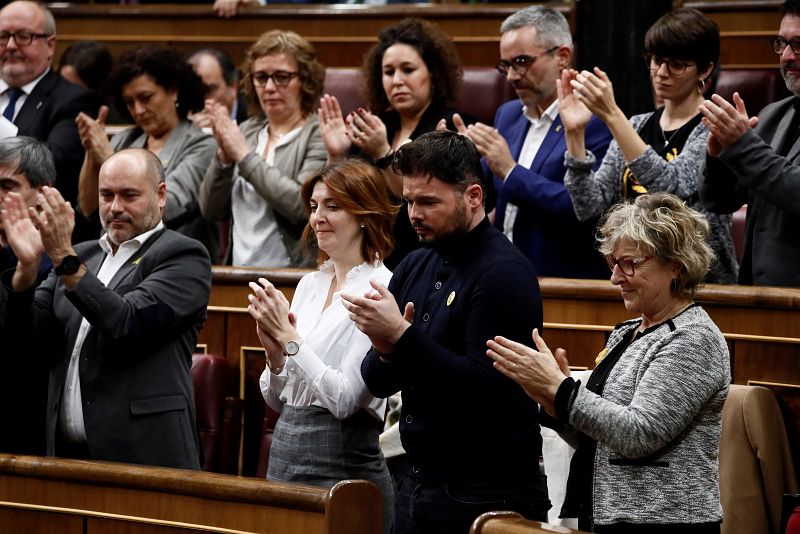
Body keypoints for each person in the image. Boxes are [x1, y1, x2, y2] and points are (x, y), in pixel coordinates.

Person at [343, 131, 549, 534]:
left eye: (428, 202)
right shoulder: (414, 264)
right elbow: (376, 382)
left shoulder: (504, 273)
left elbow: (485, 391)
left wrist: (402, 337)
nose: (413, 215)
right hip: (418, 482)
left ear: (473, 196)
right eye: (408, 201)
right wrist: (387, 349)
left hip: (486, 494)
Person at [487, 192, 730, 533]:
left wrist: (563, 393)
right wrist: (552, 402)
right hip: (608, 517)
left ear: (675, 264)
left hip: (664, 522)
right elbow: (603, 441)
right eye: (613, 263)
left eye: (629, 263)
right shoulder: (627, 333)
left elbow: (640, 434)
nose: (616, 278)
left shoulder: (693, 338)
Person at [0, 148, 211, 468]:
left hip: (145, 460)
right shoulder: (83, 255)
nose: (115, 208)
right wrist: (27, 269)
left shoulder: (184, 256)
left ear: (161, 195)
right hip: (66, 458)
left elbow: (128, 323)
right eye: (106, 195)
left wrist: (63, 259)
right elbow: (28, 339)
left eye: (129, 195)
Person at [248, 159, 397, 533]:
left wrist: (290, 340)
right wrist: (275, 353)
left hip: (342, 462)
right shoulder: (309, 285)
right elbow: (276, 399)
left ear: (365, 214)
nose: (318, 218)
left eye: (333, 206)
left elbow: (346, 400)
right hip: (284, 453)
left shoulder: (380, 288)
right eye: (314, 207)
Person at [560, 8, 737, 284]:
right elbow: (589, 206)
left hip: (699, 284)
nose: (661, 72)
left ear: (705, 69)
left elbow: (671, 190)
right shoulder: (638, 125)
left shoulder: (713, 126)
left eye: (676, 64)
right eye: (655, 60)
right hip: (636, 278)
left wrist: (612, 115)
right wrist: (575, 135)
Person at [449, 6, 612, 278]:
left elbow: (583, 209)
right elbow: (486, 191)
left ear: (562, 57)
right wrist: (462, 158)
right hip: (497, 273)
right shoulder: (508, 115)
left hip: (562, 282)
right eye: (506, 65)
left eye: (522, 62)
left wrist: (510, 171)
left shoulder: (596, 122)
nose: (512, 75)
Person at [320, 18, 478, 269]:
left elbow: (418, 198)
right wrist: (337, 156)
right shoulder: (376, 125)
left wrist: (383, 153)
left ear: (433, 74)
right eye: (389, 72)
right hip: (365, 259)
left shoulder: (450, 127)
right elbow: (342, 200)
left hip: (424, 259)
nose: (397, 81)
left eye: (408, 69)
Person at [74, 45, 218, 258]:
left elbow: (170, 206)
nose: (138, 110)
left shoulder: (202, 145)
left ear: (173, 90)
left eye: (146, 97)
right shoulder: (126, 139)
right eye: (130, 102)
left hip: (171, 262)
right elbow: (88, 208)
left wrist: (107, 156)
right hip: (114, 259)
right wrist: (91, 149)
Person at [200, 30, 327, 267]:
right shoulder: (247, 131)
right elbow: (211, 210)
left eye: (281, 77)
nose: (269, 87)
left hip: (291, 276)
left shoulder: (319, 133)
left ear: (305, 80)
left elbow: (302, 207)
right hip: (238, 271)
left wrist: (244, 157)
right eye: (261, 77)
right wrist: (224, 160)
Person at [699, 0, 800, 287]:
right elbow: (720, 200)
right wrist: (718, 154)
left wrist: (742, 145)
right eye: (782, 43)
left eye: (798, 44)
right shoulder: (773, 114)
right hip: (759, 299)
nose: (787, 56)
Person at [0, 0, 100, 243]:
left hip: (40, 240)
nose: (11, 45)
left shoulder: (74, 100)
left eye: (24, 36)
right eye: (3, 36)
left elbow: (53, 163)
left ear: (50, 45)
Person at [0, 136, 55, 456]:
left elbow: (32, 345)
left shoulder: (61, 261)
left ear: (42, 192)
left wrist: (25, 269)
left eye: (8, 186)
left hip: (23, 429)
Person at [187, 47, 248, 127]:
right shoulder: (179, 118)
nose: (201, 101)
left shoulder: (255, 118)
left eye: (209, 90)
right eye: (193, 91)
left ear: (233, 86)